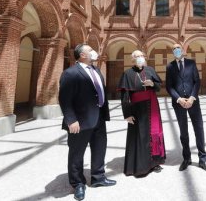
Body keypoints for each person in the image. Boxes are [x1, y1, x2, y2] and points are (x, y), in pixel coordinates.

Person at [59, 44, 116, 201]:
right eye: (90, 50)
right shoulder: (70, 73)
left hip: (99, 118)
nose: (94, 52)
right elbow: (64, 99)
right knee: (77, 153)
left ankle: (98, 177)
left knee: (99, 148)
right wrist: (71, 120)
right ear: (82, 55)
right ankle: (78, 184)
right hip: (80, 121)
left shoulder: (96, 70)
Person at [165, 43, 206, 172]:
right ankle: (186, 158)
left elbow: (197, 81)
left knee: (199, 129)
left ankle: (203, 159)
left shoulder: (191, 63)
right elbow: (169, 86)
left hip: (193, 102)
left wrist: (192, 97)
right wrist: (179, 99)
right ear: (172, 52)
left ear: (183, 50)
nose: (176, 50)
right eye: (174, 48)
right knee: (183, 132)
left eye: (178, 48)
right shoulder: (170, 66)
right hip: (179, 103)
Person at [118, 50, 166, 177]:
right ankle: (140, 166)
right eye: (137, 56)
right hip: (137, 109)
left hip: (152, 106)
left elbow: (159, 87)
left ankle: (154, 162)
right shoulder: (127, 73)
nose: (140, 58)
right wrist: (127, 114)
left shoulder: (150, 70)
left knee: (153, 133)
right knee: (139, 136)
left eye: (141, 56)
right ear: (132, 59)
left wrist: (152, 84)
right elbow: (124, 96)